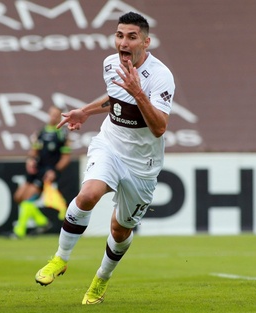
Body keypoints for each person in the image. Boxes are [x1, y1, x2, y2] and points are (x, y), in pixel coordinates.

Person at [34, 12, 175, 305]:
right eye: (119, 35)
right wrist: (85, 111)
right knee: (87, 195)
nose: (123, 42)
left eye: (131, 36)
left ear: (146, 42)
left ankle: (101, 278)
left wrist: (139, 93)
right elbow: (114, 99)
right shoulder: (110, 63)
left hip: (142, 164)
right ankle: (60, 258)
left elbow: (159, 127)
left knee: (119, 229)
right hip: (110, 145)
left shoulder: (161, 76)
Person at [8, 105, 71, 239]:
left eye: (56, 115)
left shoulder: (62, 133)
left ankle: (19, 232)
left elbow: (66, 158)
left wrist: (55, 171)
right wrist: (30, 160)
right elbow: (34, 150)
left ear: (60, 116)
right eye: (51, 114)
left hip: (47, 171)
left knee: (27, 200)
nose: (53, 117)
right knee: (18, 197)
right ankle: (42, 222)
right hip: (36, 168)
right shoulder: (41, 131)